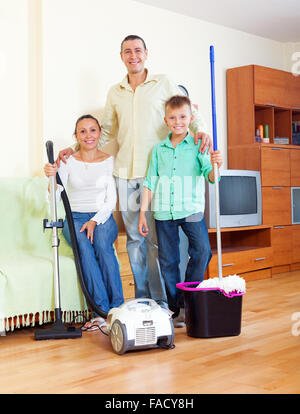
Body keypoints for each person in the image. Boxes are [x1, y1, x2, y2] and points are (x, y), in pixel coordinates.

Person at [56, 35, 213, 309]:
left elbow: (187, 108)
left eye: (138, 50)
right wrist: (73, 148)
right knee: (135, 240)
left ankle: (164, 300)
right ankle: (142, 298)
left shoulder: (163, 82)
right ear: (121, 56)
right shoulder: (115, 92)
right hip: (126, 177)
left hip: (157, 176)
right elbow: (105, 131)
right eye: (127, 51)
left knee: (157, 242)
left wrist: (202, 132)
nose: (133, 56)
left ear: (146, 53)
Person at [138, 95, 223, 327]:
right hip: (164, 211)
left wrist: (217, 165)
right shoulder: (158, 150)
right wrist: (142, 212)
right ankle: (176, 309)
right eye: (173, 118)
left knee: (203, 252)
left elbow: (210, 176)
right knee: (167, 260)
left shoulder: (199, 145)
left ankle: (188, 297)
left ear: (191, 118)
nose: (178, 122)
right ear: (166, 120)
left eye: (183, 117)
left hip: (192, 209)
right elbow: (150, 182)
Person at [44, 114, 124, 331]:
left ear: (99, 133)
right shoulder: (67, 161)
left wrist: (95, 221)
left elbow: (111, 200)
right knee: (85, 250)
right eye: (83, 131)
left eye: (92, 130)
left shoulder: (109, 161)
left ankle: (118, 309)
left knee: (102, 247)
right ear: (76, 136)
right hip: (75, 217)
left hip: (102, 216)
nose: (88, 135)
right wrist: (51, 178)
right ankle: (100, 313)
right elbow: (55, 196)